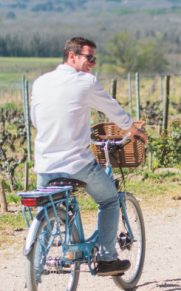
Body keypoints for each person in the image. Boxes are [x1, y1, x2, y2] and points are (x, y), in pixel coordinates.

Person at [30, 37, 147, 276]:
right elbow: (111, 108)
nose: (93, 63)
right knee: (109, 200)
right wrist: (131, 128)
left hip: (44, 164)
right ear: (71, 56)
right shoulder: (86, 82)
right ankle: (106, 258)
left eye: (95, 59)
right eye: (89, 58)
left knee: (47, 216)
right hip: (76, 163)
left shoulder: (40, 82)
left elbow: (35, 120)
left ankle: (33, 273)